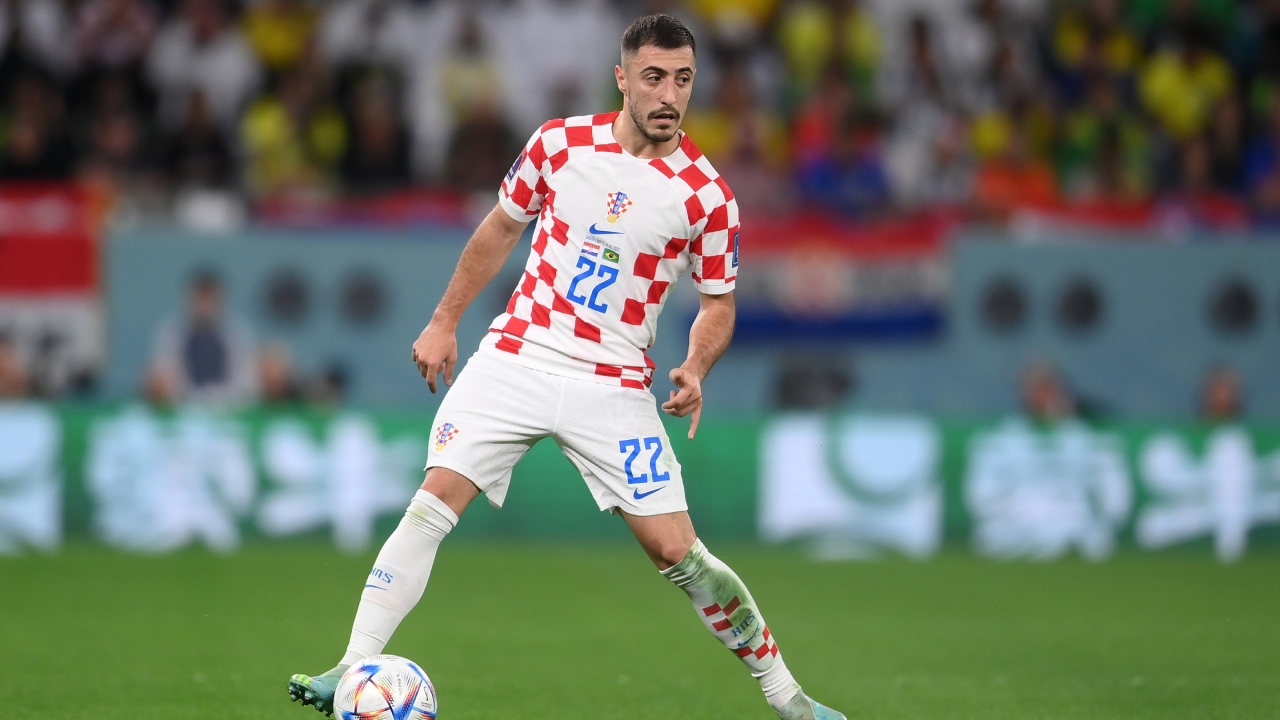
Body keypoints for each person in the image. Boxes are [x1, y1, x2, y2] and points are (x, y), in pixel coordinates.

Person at [287, 15, 845, 720]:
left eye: (683, 80)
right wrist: (444, 319)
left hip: (612, 384)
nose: (669, 94)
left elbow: (718, 305)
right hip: (517, 355)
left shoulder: (707, 196)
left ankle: (787, 696)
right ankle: (351, 664)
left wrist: (698, 364)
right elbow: (498, 230)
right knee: (434, 500)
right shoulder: (559, 143)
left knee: (679, 551)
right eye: (654, 77)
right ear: (622, 78)